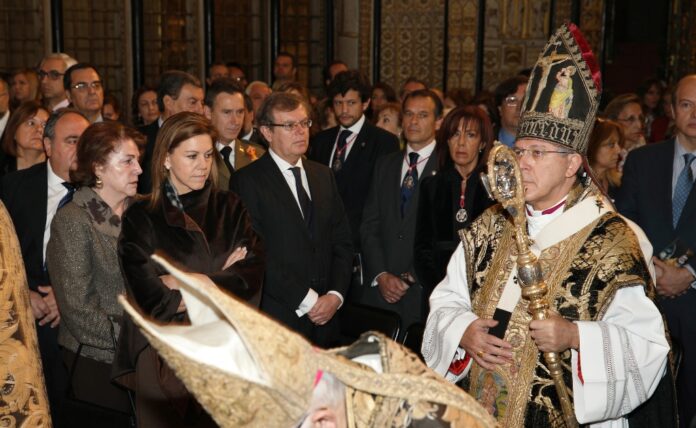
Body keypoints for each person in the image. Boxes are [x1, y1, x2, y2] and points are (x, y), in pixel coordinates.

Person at [423, 23, 672, 427]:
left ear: (572, 163)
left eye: (538, 153)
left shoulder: (614, 241)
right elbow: (447, 298)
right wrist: (462, 331)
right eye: (520, 150)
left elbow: (647, 348)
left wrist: (575, 336)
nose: (522, 163)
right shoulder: (492, 224)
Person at [114, 111, 264, 427]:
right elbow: (150, 297)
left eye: (208, 155)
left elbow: (251, 276)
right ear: (166, 159)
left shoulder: (230, 206)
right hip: (164, 356)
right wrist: (219, 277)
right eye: (192, 156)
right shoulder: (142, 215)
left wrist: (189, 280)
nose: (203, 165)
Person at [231, 92, 353, 347]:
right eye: (289, 125)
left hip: (329, 317)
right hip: (280, 317)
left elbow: (342, 241)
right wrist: (308, 300)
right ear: (267, 132)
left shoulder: (323, 175)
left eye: (304, 123)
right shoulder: (248, 181)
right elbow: (256, 252)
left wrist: (335, 295)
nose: (300, 131)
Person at [46, 121, 143, 421]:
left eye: (138, 160)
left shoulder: (144, 212)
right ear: (98, 167)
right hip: (97, 363)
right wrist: (138, 339)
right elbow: (78, 310)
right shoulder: (74, 220)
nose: (139, 169)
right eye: (127, 161)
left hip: (148, 358)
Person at [0, 108, 91, 425]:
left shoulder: (103, 192)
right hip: (23, 317)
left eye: (86, 141)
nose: (81, 149)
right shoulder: (13, 188)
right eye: (72, 141)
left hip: (79, 324)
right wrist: (22, 294)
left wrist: (64, 296)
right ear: (48, 146)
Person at [616, 74, 696, 428]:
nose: (695, 114)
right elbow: (624, 225)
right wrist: (653, 271)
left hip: (695, 306)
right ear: (672, 110)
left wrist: (689, 274)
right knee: (644, 407)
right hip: (645, 303)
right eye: (686, 104)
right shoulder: (643, 161)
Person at [359, 89, 442, 340]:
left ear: (438, 121)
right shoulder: (385, 164)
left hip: (422, 295)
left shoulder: (447, 168)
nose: (413, 121)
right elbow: (369, 225)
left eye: (422, 115)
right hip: (379, 294)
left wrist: (409, 278)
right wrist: (381, 275)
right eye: (408, 114)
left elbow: (444, 239)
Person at [310, 70, 400, 289]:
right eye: (338, 103)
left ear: (365, 103)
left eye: (351, 103)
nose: (344, 110)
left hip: (361, 249)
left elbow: (383, 201)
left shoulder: (384, 142)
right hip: (324, 248)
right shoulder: (321, 141)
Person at [414, 106, 494, 296]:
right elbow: (422, 248)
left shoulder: (494, 188)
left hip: (483, 291)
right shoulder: (431, 185)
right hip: (438, 290)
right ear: (447, 140)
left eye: (470, 135)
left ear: (482, 143)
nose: (461, 143)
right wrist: (441, 290)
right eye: (455, 134)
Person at [138, 70, 204, 193]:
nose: (200, 110)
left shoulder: (205, 140)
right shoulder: (141, 140)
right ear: (168, 102)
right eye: (193, 102)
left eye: (202, 102)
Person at [203, 78, 265, 190]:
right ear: (208, 112)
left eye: (240, 112)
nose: (235, 121)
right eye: (227, 112)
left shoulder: (258, 155)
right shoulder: (198, 156)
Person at [1, 101, 49, 174]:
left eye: (44, 125)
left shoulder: (59, 170)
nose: (40, 129)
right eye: (31, 123)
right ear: (14, 131)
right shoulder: (3, 168)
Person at [603, 93, 645, 164]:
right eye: (630, 119)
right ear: (613, 121)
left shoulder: (646, 152)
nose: (639, 125)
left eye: (641, 118)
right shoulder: (603, 155)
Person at [587, 118, 624, 198]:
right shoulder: (578, 185)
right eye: (611, 144)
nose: (618, 150)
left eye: (618, 143)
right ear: (593, 146)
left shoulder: (619, 184)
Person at [494, 75, 528, 147]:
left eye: (525, 101)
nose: (520, 107)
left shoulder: (546, 145)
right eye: (512, 100)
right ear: (500, 109)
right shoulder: (485, 143)